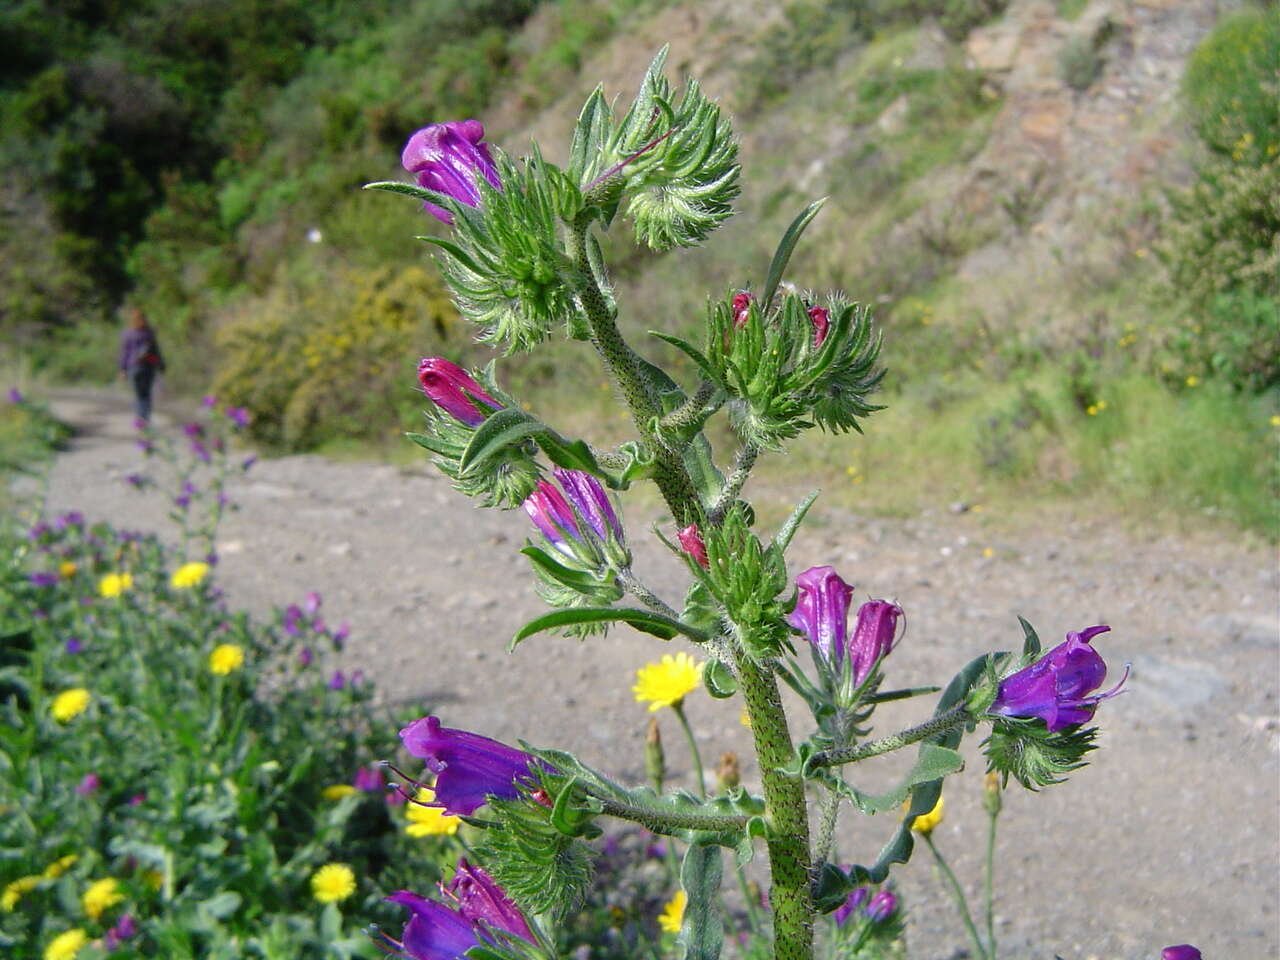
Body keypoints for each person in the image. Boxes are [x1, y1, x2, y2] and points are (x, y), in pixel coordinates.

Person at [118, 307, 165, 423]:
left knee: (138, 395)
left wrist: (122, 369)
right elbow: (156, 350)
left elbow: (125, 353)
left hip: (134, 367)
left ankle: (140, 419)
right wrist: (161, 364)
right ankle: (146, 419)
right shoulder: (149, 333)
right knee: (147, 394)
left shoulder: (127, 334)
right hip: (148, 367)